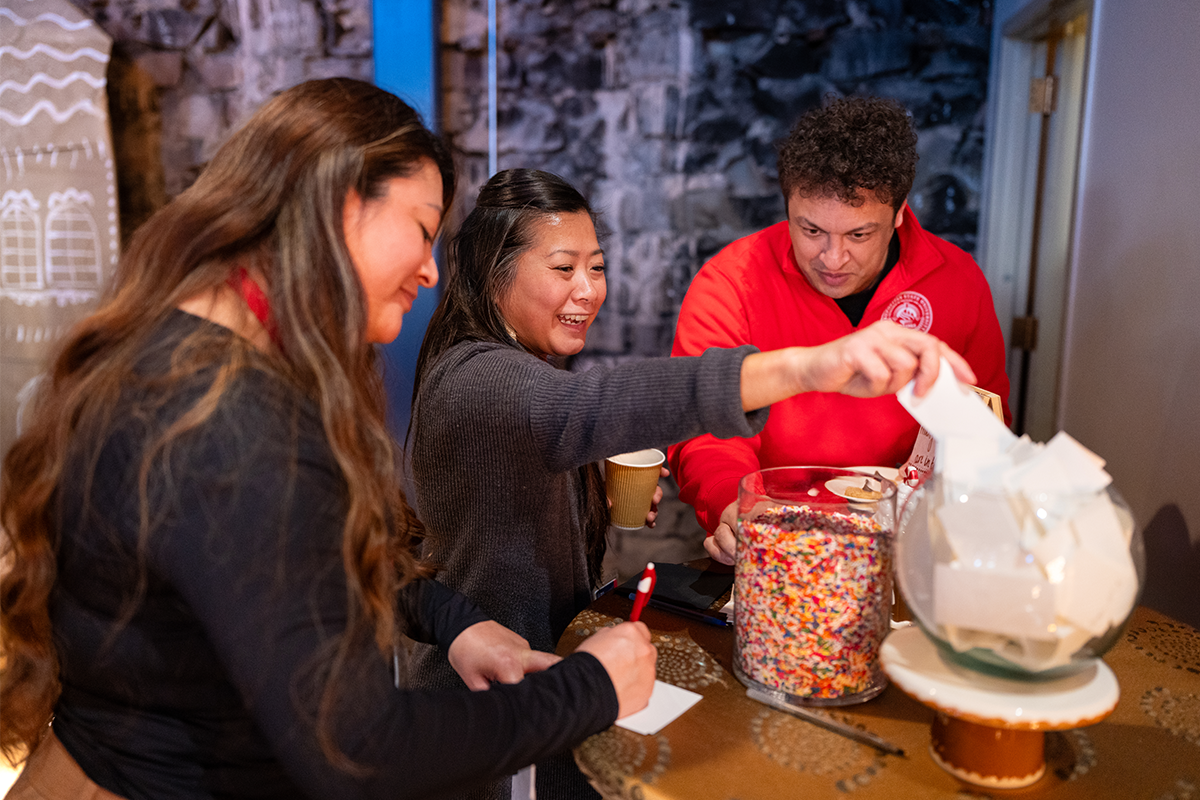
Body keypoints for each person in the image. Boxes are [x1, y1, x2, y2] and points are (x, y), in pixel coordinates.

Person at [0, 78, 659, 800]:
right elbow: (358, 750)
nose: (431, 269)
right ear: (344, 208)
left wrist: (455, 621)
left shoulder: (196, 350)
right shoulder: (224, 423)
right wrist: (589, 689)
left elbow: (304, 568)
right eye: (419, 228)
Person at [409, 168, 977, 800]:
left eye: (596, 268)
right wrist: (811, 366)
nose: (588, 290)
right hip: (492, 714)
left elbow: (510, 479)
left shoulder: (514, 370)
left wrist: (587, 493)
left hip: (546, 683)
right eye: (563, 268)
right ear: (494, 274)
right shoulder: (477, 378)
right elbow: (594, 405)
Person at [669, 95, 1012, 564]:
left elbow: (985, 420)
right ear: (787, 205)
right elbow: (705, 428)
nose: (832, 259)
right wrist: (732, 501)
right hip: (769, 536)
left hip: (909, 549)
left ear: (898, 213)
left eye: (858, 235)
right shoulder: (730, 281)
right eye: (811, 231)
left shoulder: (957, 279)